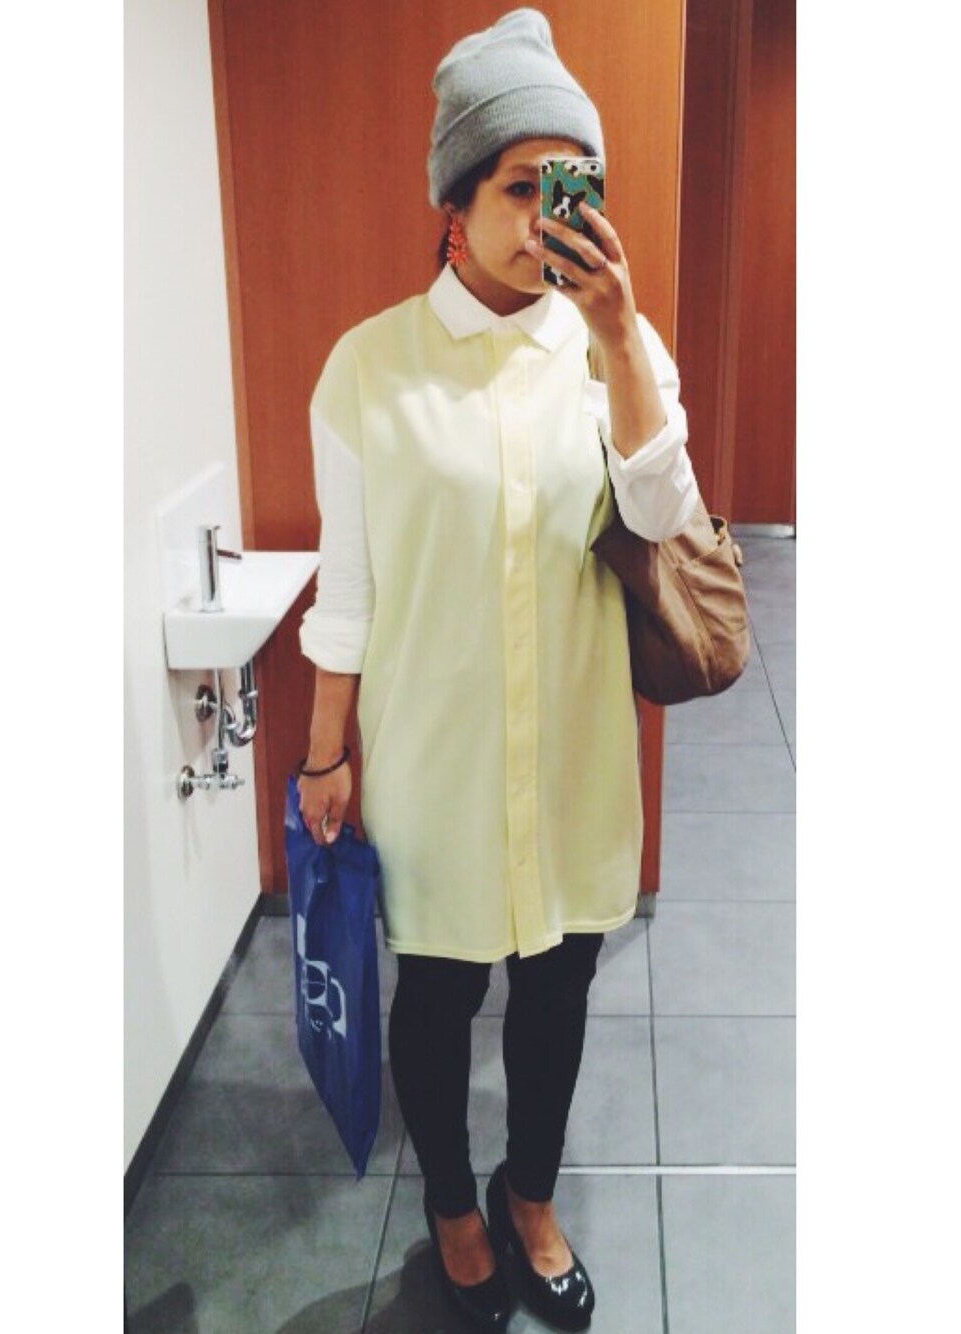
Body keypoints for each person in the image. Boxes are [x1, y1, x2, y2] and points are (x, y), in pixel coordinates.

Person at [296, 9, 698, 1330]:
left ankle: (531, 1194)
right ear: (455, 204)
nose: (548, 219)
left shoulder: (613, 351)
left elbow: (663, 515)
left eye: (573, 187)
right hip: (439, 760)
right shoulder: (369, 371)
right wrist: (323, 753)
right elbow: (349, 591)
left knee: (560, 986)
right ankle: (454, 1208)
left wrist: (621, 337)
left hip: (572, 756)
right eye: (522, 186)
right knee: (439, 992)